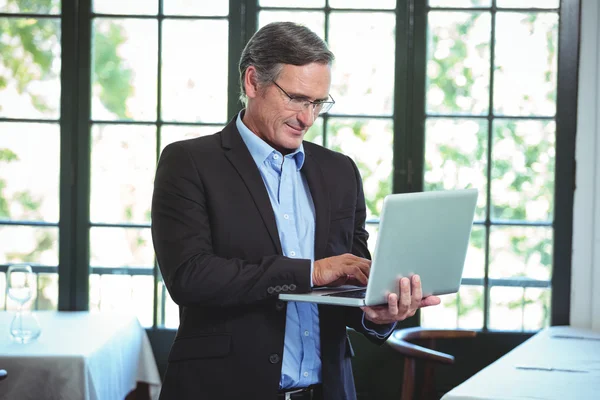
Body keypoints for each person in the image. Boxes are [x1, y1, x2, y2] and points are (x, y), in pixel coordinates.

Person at [151, 21, 441, 400]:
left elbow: (350, 281)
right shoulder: (188, 162)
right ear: (252, 82)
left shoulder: (340, 172)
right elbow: (190, 277)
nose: (307, 118)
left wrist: (376, 313)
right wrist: (313, 272)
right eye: (297, 98)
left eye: (318, 103)